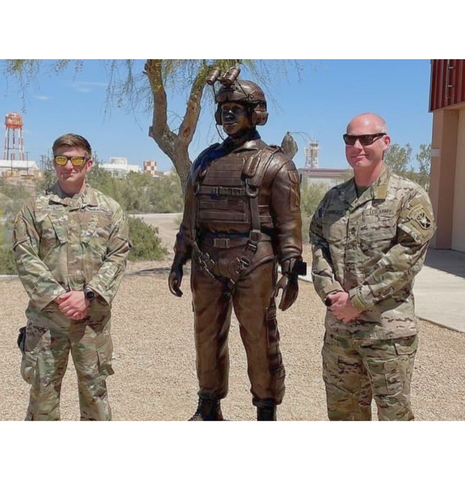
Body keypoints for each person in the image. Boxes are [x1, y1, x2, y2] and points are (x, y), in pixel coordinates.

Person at [168, 68, 304, 421]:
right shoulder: (205, 161)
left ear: (256, 113)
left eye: (236, 108)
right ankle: (208, 404)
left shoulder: (277, 164)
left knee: (260, 337)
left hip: (256, 259)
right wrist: (179, 257)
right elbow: (191, 217)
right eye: (223, 108)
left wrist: (291, 270)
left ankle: (265, 409)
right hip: (207, 260)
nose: (228, 115)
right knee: (206, 334)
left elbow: (290, 225)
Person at [310, 113, 435, 421]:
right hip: (340, 331)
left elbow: (407, 257)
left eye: (367, 139)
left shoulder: (408, 196)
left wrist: (358, 300)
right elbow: (318, 246)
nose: (358, 146)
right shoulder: (333, 200)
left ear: (385, 142)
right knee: (344, 418)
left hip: (387, 333)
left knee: (395, 418)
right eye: (350, 139)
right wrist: (332, 294)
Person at [13, 133, 131, 421]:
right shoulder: (33, 209)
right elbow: (24, 255)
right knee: (42, 399)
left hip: (92, 322)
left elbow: (118, 255)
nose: (69, 165)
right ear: (53, 163)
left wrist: (87, 296)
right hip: (47, 323)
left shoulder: (109, 209)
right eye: (62, 159)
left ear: (89, 164)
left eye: (77, 159)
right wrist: (57, 297)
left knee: (95, 397)